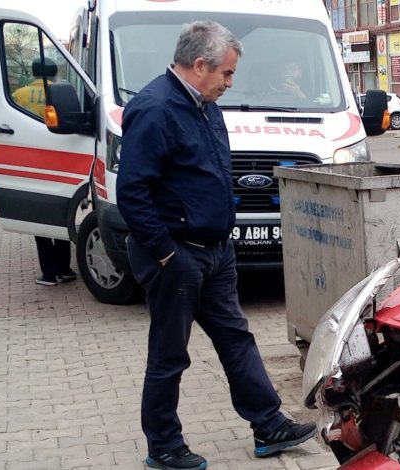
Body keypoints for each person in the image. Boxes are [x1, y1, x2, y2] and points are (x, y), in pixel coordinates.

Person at [116, 21, 317, 469]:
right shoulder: (155, 108)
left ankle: (269, 425)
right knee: (170, 355)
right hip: (176, 256)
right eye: (226, 74)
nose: (230, 83)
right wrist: (167, 252)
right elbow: (131, 192)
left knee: (237, 339)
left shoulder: (205, 106)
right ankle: (163, 447)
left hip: (216, 252)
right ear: (200, 64)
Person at [12, 59, 77, 286]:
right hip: (62, 161)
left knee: (39, 221)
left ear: (33, 72)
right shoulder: (65, 92)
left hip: (32, 162)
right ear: (55, 72)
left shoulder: (20, 94)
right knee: (60, 218)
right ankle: (65, 269)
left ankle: (49, 274)